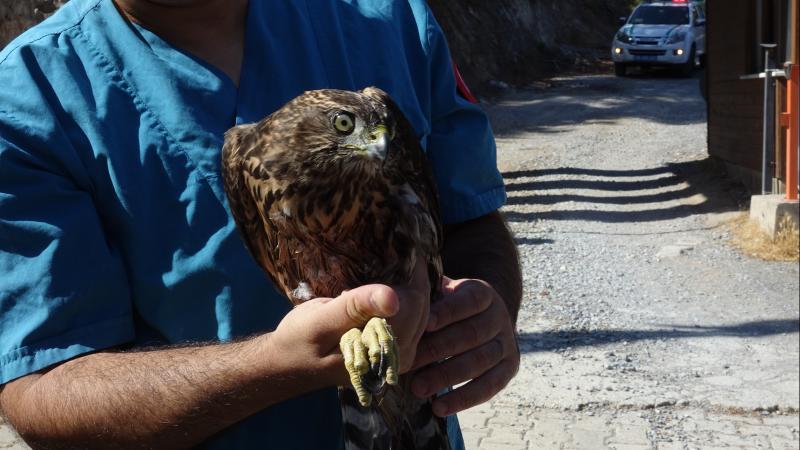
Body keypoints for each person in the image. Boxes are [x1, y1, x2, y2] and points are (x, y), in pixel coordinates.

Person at [0, 0, 522, 448]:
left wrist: (479, 313)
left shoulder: (388, 19)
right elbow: (43, 383)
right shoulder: (29, 98)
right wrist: (276, 367)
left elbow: (469, 220)